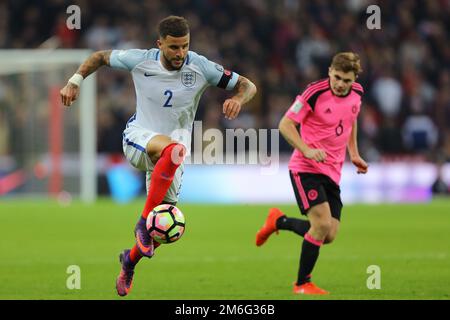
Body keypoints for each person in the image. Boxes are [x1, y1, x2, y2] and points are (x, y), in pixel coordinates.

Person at [60, 16, 257, 297]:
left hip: (173, 156)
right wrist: (74, 80)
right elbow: (100, 57)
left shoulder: (200, 66)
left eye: (185, 47)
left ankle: (129, 261)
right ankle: (141, 222)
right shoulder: (140, 60)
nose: (180, 54)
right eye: (174, 47)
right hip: (140, 139)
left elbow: (248, 85)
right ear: (160, 43)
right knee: (171, 156)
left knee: (164, 228)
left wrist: (238, 98)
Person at [255, 52, 368, 295]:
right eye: (337, 77)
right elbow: (285, 124)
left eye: (346, 80)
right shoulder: (313, 93)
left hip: (332, 172)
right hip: (305, 169)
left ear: (354, 79)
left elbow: (351, 120)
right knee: (322, 225)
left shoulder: (357, 92)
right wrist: (306, 150)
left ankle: (278, 221)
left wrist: (354, 153)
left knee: (329, 234)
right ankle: (302, 284)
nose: (341, 84)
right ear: (329, 71)